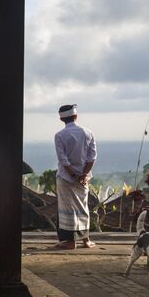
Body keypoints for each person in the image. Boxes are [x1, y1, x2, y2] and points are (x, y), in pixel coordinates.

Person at [53, 104, 97, 249]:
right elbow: (92, 157)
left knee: (67, 209)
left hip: (66, 177)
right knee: (83, 207)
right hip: (83, 178)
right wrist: (83, 175)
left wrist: (73, 175)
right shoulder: (88, 132)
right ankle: (86, 240)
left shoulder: (60, 135)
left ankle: (70, 241)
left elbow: (63, 159)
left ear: (61, 119)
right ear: (76, 116)